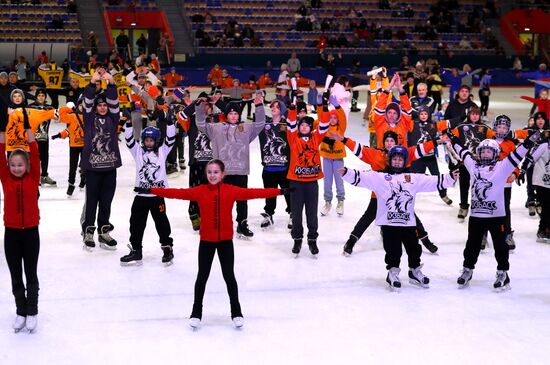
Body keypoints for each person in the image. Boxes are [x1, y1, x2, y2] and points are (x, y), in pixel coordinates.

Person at [140, 159, 289, 329]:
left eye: (216, 172)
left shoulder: (231, 191)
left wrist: (280, 192)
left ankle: (236, 312)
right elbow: (177, 193)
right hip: (206, 242)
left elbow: (254, 193)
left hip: (225, 241)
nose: (212, 175)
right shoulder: (200, 191)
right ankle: (196, 312)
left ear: (223, 174)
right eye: (209, 172)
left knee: (229, 277)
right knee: (202, 277)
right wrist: (152, 190)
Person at [339, 146, 457, 289]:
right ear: (389, 160)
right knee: (393, 250)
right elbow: (363, 178)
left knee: (413, 248)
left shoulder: (412, 178)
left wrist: (450, 177)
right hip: (389, 224)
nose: (396, 162)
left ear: (405, 162)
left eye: (400, 160)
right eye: (394, 159)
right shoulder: (381, 177)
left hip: (408, 223)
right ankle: (392, 272)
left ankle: (414, 271)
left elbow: (432, 181)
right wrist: (347, 173)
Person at [447, 129, 541, 290]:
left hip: (497, 217)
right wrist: (453, 137)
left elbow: (518, 154)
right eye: (483, 152)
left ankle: (503, 272)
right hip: (477, 216)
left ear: (496, 154)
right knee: (472, 245)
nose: (485, 155)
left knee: (500, 246)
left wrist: (528, 142)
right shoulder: (473, 166)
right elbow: (463, 152)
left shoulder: (502, 166)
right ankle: (467, 269)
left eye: (489, 152)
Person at [195, 92, 265, 238]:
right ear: (226, 115)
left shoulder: (247, 128)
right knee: (221, 201)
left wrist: (258, 106)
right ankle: (219, 224)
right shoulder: (216, 128)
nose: (233, 116)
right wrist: (200, 106)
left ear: (239, 115)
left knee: (242, 200)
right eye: (230, 113)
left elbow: (260, 124)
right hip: (223, 173)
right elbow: (200, 124)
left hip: (240, 171)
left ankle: (242, 223)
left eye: (236, 113)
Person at [119, 112, 175, 266]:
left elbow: (171, 139)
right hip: (141, 196)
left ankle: (167, 247)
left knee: (162, 223)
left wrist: (169, 122)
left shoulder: (163, 151)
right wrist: (129, 123)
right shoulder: (138, 152)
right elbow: (129, 140)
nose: (149, 143)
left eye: (152, 140)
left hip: (157, 196)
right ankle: (136, 250)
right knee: (136, 224)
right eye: (146, 140)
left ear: (157, 141)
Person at [0, 128, 40, 333]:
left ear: (27, 166)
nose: (16, 168)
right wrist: (2, 137)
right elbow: (0, 157)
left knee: (30, 273)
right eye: (13, 165)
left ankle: (32, 310)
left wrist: (31, 138)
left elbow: (35, 155)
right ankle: (20, 310)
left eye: (20, 165)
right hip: (12, 234)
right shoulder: (5, 178)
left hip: (31, 233)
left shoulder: (33, 177)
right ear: (8, 166)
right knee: (16, 275)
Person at [81, 68, 122, 250]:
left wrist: (111, 83)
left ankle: (103, 232)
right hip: (92, 168)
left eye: (105, 105)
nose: (103, 107)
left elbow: (114, 102)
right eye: (100, 105)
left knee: (106, 201)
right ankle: (88, 231)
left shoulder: (113, 118)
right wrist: (93, 83)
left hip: (110, 167)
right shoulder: (89, 118)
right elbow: (87, 101)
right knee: (92, 201)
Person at [287, 94, 330, 256]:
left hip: (312, 182)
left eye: (307, 125)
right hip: (296, 183)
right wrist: (293, 107)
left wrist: (322, 106)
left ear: (311, 128)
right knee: (297, 214)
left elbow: (325, 124)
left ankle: (312, 239)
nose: (304, 127)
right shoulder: (293, 138)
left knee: (312, 213)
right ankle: (297, 239)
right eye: (301, 125)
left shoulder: (316, 138)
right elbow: (291, 123)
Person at [258, 100, 291, 229]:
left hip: (284, 168)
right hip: (268, 167)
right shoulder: (265, 124)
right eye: (272, 106)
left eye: (277, 107)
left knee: (288, 193)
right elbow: (258, 117)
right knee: (269, 193)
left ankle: (292, 214)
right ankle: (269, 214)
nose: (273, 108)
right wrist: (259, 105)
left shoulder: (287, 125)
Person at [319, 96, 347, 216]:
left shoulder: (341, 128)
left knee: (339, 181)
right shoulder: (324, 127)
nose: (333, 119)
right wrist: (320, 105)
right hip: (326, 158)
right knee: (327, 181)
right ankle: (328, 201)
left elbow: (343, 118)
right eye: (331, 117)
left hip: (338, 158)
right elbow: (321, 117)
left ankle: (340, 201)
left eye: (335, 117)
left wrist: (337, 107)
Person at [54, 101, 86, 196]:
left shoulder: (90, 117)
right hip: (74, 145)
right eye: (80, 105)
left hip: (86, 145)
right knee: (72, 166)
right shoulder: (71, 116)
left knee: (85, 165)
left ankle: (83, 179)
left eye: (84, 105)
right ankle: (71, 184)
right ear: (77, 106)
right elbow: (61, 115)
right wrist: (68, 108)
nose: (82, 107)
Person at [28, 89, 57, 186]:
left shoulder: (49, 108)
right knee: (33, 158)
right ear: (36, 96)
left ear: (45, 97)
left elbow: (58, 116)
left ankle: (44, 175)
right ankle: (34, 176)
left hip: (44, 137)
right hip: (32, 138)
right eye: (39, 95)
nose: (41, 97)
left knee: (45, 157)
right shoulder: (30, 107)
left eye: (43, 95)